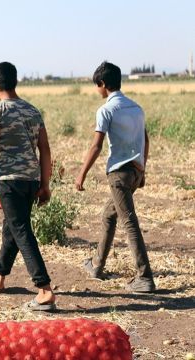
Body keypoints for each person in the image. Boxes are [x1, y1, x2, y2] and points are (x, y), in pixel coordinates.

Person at [0, 61, 55, 311]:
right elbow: (45, 149)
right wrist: (45, 183)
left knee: (20, 229)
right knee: (12, 227)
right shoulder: (32, 111)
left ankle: (44, 289)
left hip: (9, 180)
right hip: (31, 179)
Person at [75, 61, 155, 293]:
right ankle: (97, 265)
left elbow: (96, 145)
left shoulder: (106, 110)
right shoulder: (136, 108)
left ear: (102, 84)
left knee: (129, 222)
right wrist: (142, 170)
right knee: (109, 215)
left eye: (96, 86)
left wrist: (81, 174)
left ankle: (145, 277)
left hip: (119, 175)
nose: (96, 90)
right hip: (135, 172)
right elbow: (146, 140)